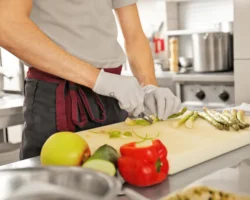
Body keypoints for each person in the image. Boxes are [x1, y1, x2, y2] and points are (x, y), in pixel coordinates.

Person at [0, 0, 181, 160]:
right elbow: (6, 23)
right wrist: (98, 80)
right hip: (58, 97)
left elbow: (133, 34)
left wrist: (148, 85)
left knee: (115, 181)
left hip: (112, 96)